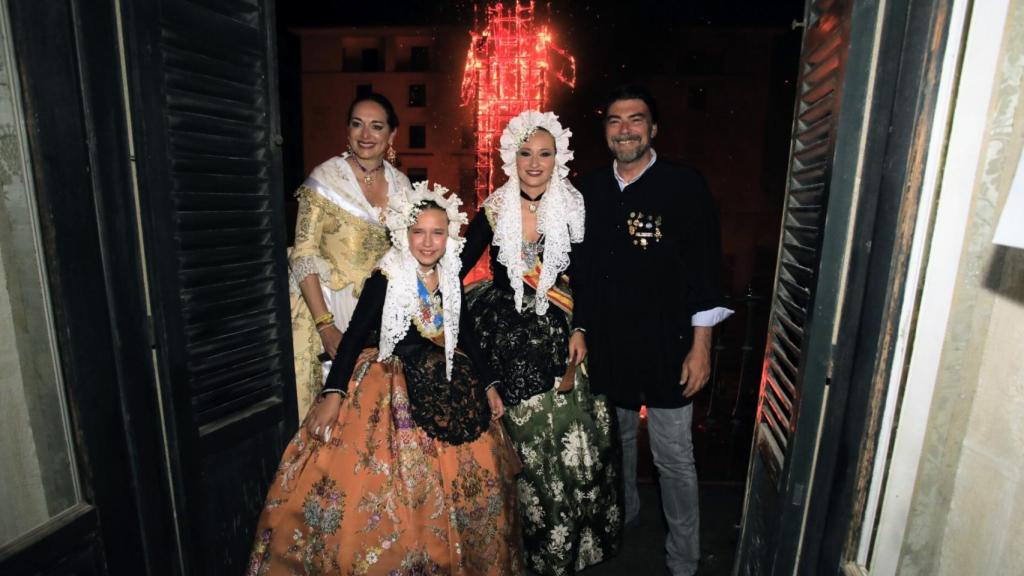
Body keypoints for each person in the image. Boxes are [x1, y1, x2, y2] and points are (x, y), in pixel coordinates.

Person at [247, 182, 524, 576]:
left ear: (449, 235)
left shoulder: (449, 276)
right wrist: (334, 392)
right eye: (419, 232)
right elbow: (355, 336)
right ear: (404, 234)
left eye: (437, 232)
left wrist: (491, 383)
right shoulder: (387, 275)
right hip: (389, 381)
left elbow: (466, 336)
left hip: (446, 384)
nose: (428, 242)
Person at [577, 85, 732, 576]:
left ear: (653, 129)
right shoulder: (589, 190)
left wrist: (701, 347)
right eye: (615, 121)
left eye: (635, 119)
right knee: (617, 447)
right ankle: (626, 518)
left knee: (673, 459)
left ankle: (684, 558)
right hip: (610, 346)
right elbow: (577, 269)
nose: (625, 129)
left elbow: (707, 270)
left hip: (670, 347)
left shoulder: (684, 185)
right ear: (605, 132)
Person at [461, 110, 622, 575]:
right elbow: (454, 270)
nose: (535, 162)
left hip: (562, 326)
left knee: (574, 447)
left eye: (545, 154)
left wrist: (581, 328)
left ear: (559, 158)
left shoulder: (573, 204)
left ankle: (568, 548)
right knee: (522, 447)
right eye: (526, 153)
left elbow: (588, 278)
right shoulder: (494, 208)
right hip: (504, 330)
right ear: (513, 156)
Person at [288, 92, 412, 419]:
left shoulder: (403, 186)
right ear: (347, 130)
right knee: (326, 407)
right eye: (357, 125)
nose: (366, 135)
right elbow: (302, 255)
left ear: (392, 134)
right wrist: (325, 326)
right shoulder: (325, 179)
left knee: (370, 416)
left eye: (376, 126)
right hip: (326, 304)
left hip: (377, 311)